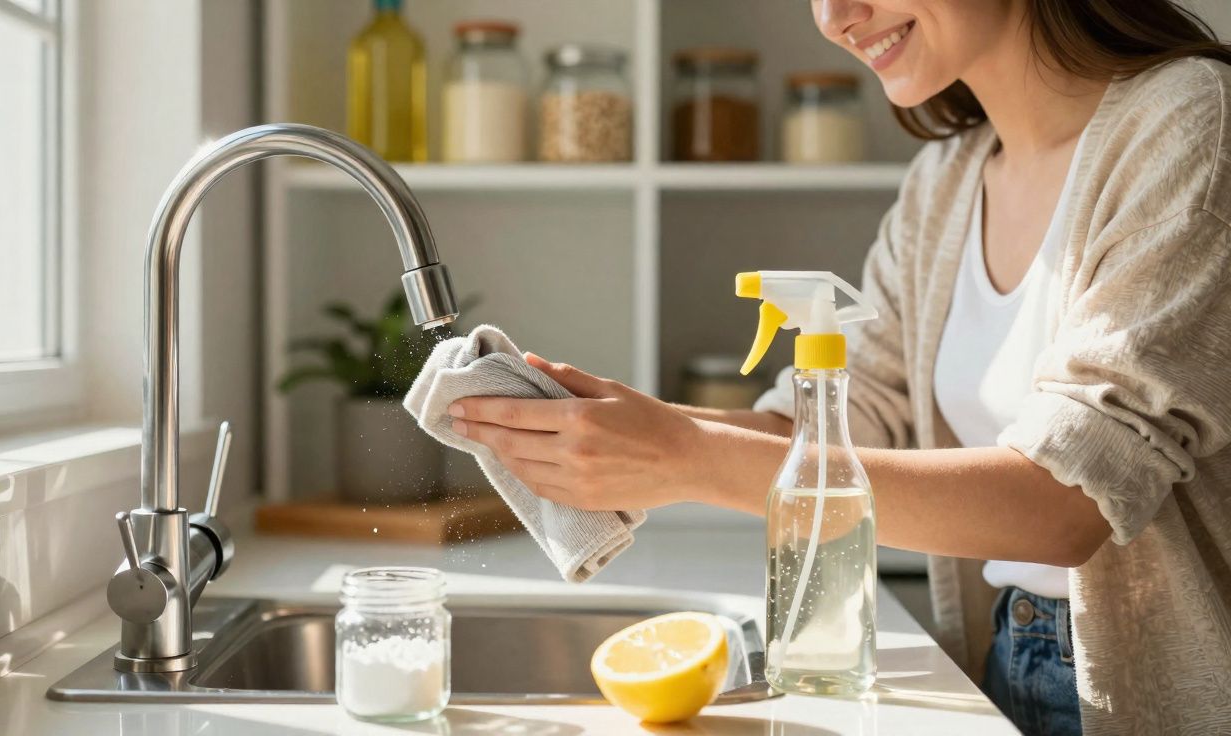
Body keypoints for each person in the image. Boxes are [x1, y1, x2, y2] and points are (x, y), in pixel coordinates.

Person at [445, 1, 1231, 734]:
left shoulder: (1191, 121)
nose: (834, 17)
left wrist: (687, 457)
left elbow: (1068, 504)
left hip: (1145, 690)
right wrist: (611, 424)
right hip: (1001, 660)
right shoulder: (948, 180)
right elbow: (841, 419)